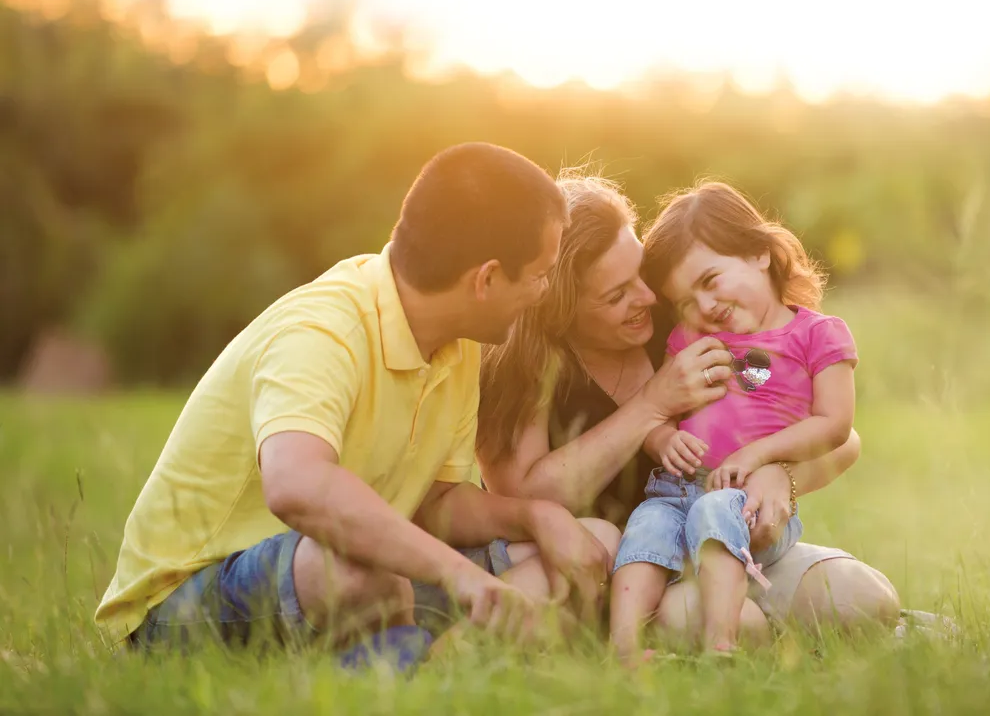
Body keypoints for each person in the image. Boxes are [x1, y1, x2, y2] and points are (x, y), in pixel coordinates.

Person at [95, 143, 618, 665]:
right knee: (359, 573)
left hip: (372, 582)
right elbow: (296, 486)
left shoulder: (459, 343)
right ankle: (419, 668)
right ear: (484, 279)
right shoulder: (324, 329)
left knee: (586, 543)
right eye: (540, 274)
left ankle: (429, 669)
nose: (546, 291)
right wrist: (458, 574)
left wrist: (534, 518)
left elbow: (436, 505)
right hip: (184, 605)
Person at [478, 174, 899, 652]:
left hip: (720, 535)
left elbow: (843, 437)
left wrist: (782, 474)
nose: (646, 298)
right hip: (621, 561)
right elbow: (523, 495)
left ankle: (782, 619)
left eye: (640, 274)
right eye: (616, 295)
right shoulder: (526, 362)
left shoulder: (685, 319)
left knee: (864, 601)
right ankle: (719, 632)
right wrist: (652, 406)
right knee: (730, 624)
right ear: (560, 310)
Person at [608, 181, 858, 658]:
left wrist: (760, 456)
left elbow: (835, 424)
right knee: (645, 527)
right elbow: (657, 410)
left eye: (710, 281)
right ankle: (621, 650)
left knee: (714, 510)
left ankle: (720, 644)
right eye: (685, 301)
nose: (703, 308)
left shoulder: (817, 335)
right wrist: (660, 441)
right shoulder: (688, 338)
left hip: (748, 502)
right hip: (674, 489)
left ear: (759, 253)